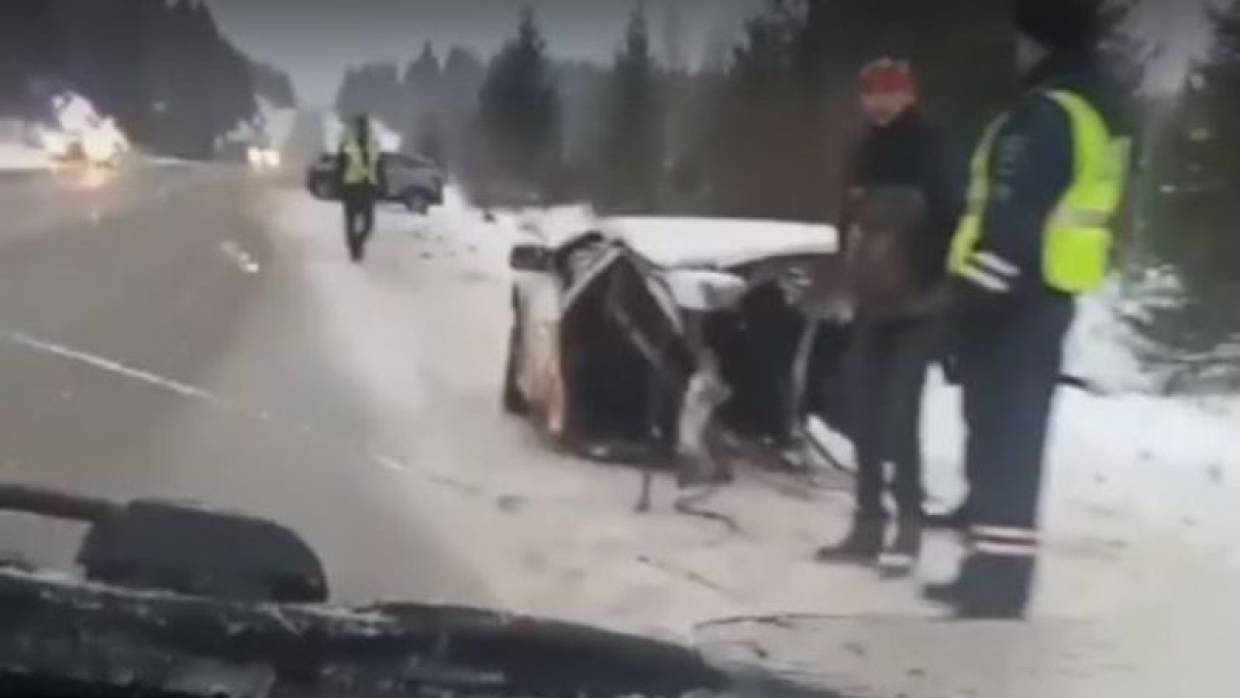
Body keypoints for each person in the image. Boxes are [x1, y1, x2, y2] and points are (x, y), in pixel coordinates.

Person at [925, 0, 1131, 617]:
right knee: (1005, 438)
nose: (1015, 50)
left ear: (1041, 42)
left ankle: (997, 585)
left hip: (1012, 299)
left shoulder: (1043, 116)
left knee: (1003, 441)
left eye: (1023, 39)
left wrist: (966, 313)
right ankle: (990, 570)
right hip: (1044, 293)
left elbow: (1009, 221)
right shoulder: (1094, 111)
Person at [816, 58, 960, 565]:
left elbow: (952, 220)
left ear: (909, 95)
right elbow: (846, 223)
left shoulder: (931, 148)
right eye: (871, 93)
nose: (878, 102)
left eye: (889, 93)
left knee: (902, 413)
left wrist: (928, 277)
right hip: (872, 303)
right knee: (865, 415)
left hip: (920, 304)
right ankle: (866, 525)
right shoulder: (861, 152)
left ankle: (909, 528)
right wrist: (847, 278)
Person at [336, 114, 382, 262]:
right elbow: (340, 166)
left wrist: (381, 183)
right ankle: (354, 251)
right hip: (351, 187)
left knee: (369, 224)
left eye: (364, 127)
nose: (363, 129)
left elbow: (379, 165)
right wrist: (339, 186)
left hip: (368, 186)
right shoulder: (347, 143)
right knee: (350, 222)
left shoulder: (373, 143)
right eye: (360, 127)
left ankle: (358, 242)